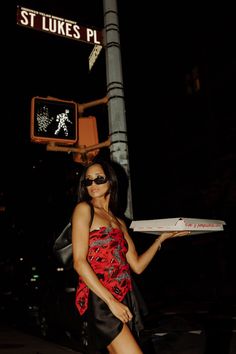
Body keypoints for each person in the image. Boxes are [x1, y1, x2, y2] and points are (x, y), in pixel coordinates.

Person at [72, 159, 190, 354]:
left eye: (99, 179)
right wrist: (111, 302)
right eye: (88, 181)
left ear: (111, 181)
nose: (93, 185)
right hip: (100, 296)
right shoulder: (84, 210)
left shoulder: (119, 222)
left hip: (124, 295)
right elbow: (78, 262)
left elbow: (136, 266)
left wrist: (160, 239)